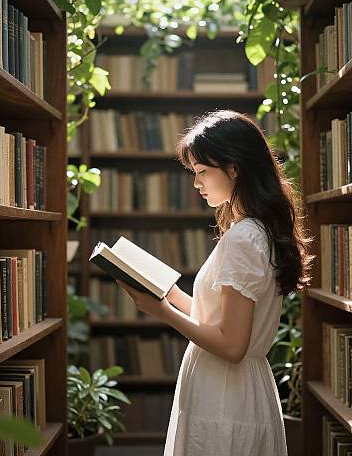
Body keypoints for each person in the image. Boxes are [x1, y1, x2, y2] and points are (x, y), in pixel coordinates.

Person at [118, 109, 313, 456]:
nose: (196, 183)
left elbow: (232, 346)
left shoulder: (244, 238)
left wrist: (161, 311)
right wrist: (172, 295)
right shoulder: (254, 230)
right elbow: (221, 322)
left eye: (203, 172)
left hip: (226, 395)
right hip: (230, 390)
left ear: (234, 168)